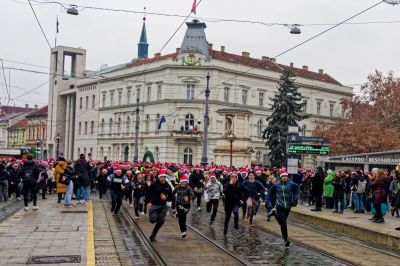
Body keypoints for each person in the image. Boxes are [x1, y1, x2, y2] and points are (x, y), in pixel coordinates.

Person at [266, 171, 300, 247]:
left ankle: (274, 214)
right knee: (283, 223)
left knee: (282, 223)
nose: (285, 177)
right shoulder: (276, 185)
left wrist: (295, 199)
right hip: (280, 205)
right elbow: (270, 193)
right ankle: (286, 240)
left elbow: (297, 190)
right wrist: (268, 202)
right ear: (280, 177)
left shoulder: (291, 184)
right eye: (283, 176)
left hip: (288, 206)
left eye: (286, 176)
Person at [146, 169, 173, 242]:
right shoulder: (154, 184)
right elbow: (148, 193)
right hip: (154, 205)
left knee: (161, 221)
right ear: (159, 177)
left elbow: (171, 196)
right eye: (161, 177)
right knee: (152, 220)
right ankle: (153, 217)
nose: (163, 178)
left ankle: (153, 236)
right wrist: (148, 202)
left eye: (164, 177)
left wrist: (166, 198)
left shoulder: (168, 186)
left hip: (162, 206)